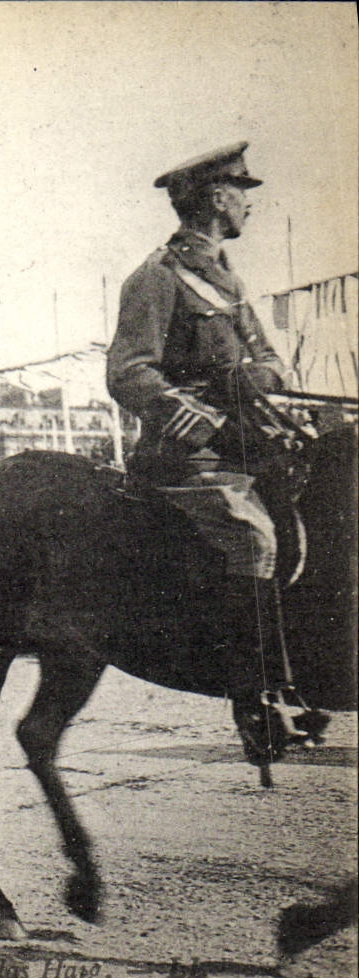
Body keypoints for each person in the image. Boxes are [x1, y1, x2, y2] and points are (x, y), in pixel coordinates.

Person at [107, 140, 324, 753]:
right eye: (240, 192)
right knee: (251, 535)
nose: (248, 205)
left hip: (248, 448)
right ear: (211, 199)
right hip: (190, 459)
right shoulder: (156, 279)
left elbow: (267, 358)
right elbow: (129, 372)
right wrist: (203, 416)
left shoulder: (225, 280)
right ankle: (256, 695)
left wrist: (263, 377)